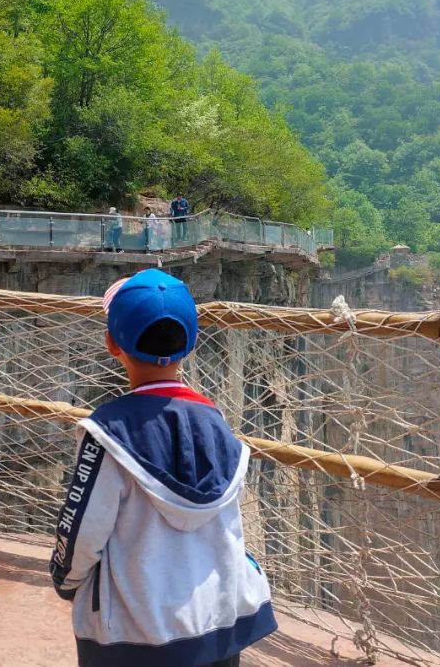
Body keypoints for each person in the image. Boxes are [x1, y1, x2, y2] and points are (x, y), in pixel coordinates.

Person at [49, 270, 276, 667]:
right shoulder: (216, 422)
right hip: (218, 623)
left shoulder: (108, 433)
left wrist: (65, 580)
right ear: (192, 343)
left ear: (112, 343)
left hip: (135, 638)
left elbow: (83, 529)